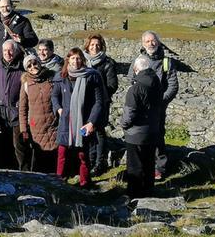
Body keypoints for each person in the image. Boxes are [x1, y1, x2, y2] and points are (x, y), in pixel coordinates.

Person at [52, 48, 104, 189]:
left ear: (83, 60)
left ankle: (85, 183)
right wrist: (59, 108)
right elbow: (54, 96)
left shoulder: (92, 76)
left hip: (83, 122)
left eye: (79, 58)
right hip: (66, 122)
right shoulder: (61, 77)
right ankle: (58, 183)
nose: (76, 61)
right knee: (62, 153)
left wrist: (91, 122)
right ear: (68, 59)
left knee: (83, 155)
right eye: (73, 58)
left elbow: (98, 102)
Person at [130, 30, 177, 180]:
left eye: (153, 40)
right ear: (143, 44)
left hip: (158, 109)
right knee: (140, 137)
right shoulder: (137, 60)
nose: (151, 44)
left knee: (158, 136)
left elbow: (173, 86)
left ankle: (159, 168)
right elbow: (131, 81)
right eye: (147, 41)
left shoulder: (166, 62)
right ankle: (143, 166)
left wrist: (160, 102)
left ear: (158, 42)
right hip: (141, 108)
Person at [121, 56, 163, 199]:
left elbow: (130, 113)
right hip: (152, 130)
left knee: (135, 165)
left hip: (136, 133)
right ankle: (149, 191)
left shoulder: (135, 88)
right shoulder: (157, 83)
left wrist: (124, 125)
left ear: (136, 69)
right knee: (149, 163)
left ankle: (134, 194)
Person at [83, 34, 118, 176]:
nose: (94, 47)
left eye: (97, 45)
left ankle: (100, 162)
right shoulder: (83, 61)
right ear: (87, 45)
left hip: (101, 103)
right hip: (85, 103)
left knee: (99, 132)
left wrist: (99, 94)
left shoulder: (108, 63)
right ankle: (89, 161)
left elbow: (113, 85)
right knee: (88, 131)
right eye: (92, 44)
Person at [18, 55, 58, 173]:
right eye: (29, 66)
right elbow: (23, 108)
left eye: (35, 63)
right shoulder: (25, 84)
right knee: (40, 155)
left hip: (53, 123)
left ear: (40, 63)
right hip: (36, 127)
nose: (33, 67)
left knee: (55, 153)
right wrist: (23, 129)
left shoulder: (51, 78)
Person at [0, 40, 27, 170]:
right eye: (5, 51)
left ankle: (23, 172)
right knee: (2, 145)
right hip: (1, 113)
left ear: (16, 51)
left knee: (19, 146)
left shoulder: (22, 68)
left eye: (10, 50)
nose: (7, 53)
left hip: (17, 113)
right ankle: (4, 171)